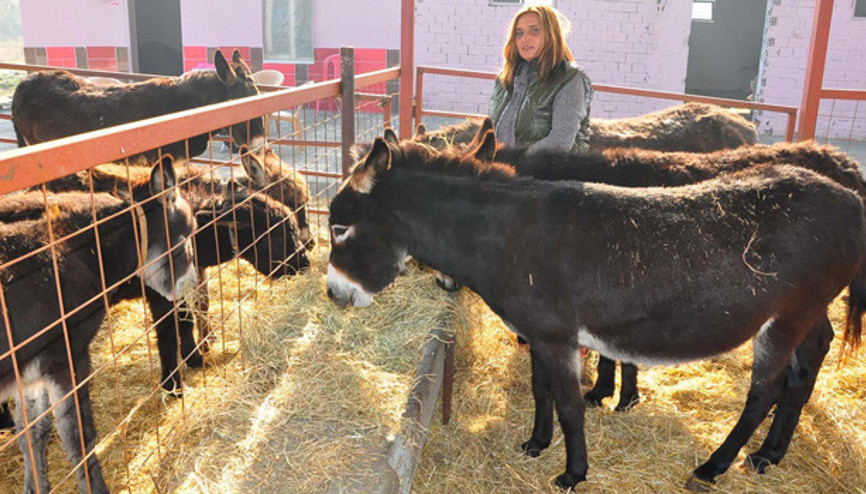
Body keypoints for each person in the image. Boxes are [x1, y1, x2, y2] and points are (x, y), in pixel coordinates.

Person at [489, 5, 593, 154]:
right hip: (505, 170)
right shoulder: (505, 78)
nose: (525, 38)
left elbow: (560, 141)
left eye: (534, 30)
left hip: (552, 172)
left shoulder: (570, 79)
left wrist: (514, 163)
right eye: (519, 33)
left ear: (551, 34)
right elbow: (493, 132)